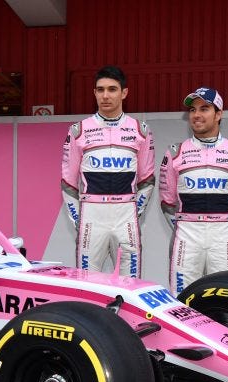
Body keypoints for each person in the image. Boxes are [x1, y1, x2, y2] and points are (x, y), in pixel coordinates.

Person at [61, 65, 156, 277]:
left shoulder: (141, 130)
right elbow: (68, 183)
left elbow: (147, 180)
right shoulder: (79, 130)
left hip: (126, 215)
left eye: (112, 89)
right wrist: (80, 218)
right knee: (88, 283)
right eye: (100, 89)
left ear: (124, 93)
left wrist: (134, 211)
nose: (105, 95)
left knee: (129, 283)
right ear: (94, 93)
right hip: (91, 215)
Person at [159, 87, 228, 294]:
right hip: (186, 233)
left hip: (222, 234)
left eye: (204, 109)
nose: (196, 115)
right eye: (193, 110)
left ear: (219, 114)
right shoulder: (175, 153)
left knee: (225, 295)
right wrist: (183, 228)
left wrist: (224, 227)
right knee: (181, 296)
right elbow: (167, 201)